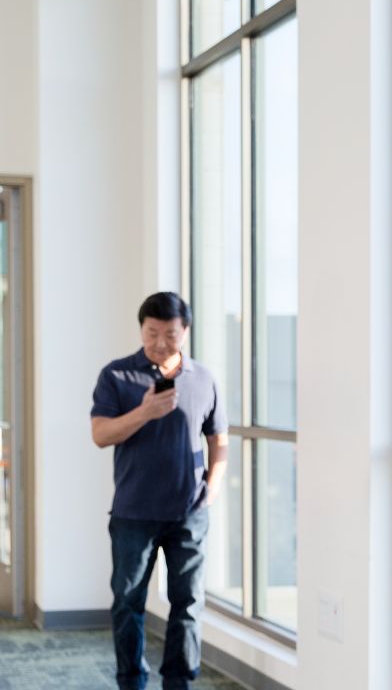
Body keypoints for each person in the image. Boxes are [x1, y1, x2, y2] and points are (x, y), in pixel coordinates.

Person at [90, 292, 228, 690]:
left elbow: (219, 437)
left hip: (189, 514)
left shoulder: (204, 378)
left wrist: (212, 489)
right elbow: (100, 434)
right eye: (152, 333)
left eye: (170, 334)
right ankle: (131, 681)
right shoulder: (116, 375)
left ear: (184, 331)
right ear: (141, 330)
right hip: (133, 514)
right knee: (127, 604)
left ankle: (178, 682)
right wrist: (145, 412)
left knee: (188, 605)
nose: (160, 343)